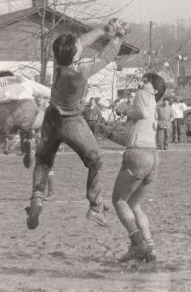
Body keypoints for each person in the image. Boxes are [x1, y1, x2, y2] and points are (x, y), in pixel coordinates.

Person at [26, 18, 128, 230]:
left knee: (44, 160)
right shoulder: (82, 69)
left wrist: (103, 29)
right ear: (74, 54)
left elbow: (80, 41)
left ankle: (37, 197)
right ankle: (96, 207)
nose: (81, 46)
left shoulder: (58, 62)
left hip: (51, 116)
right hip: (71, 121)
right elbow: (107, 56)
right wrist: (117, 37)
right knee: (96, 161)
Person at [99, 73, 166, 262]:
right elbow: (129, 138)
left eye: (146, 81)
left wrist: (122, 108)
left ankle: (137, 244)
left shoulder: (144, 96)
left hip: (138, 156)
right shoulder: (149, 105)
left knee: (119, 201)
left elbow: (140, 113)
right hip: (152, 156)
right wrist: (109, 133)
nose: (141, 83)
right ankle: (150, 248)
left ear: (154, 89)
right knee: (134, 204)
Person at [0, 70, 51, 168]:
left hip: (4, 115)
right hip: (26, 111)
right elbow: (48, 92)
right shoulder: (24, 80)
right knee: (44, 114)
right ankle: (30, 139)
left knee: (3, 130)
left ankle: (16, 135)